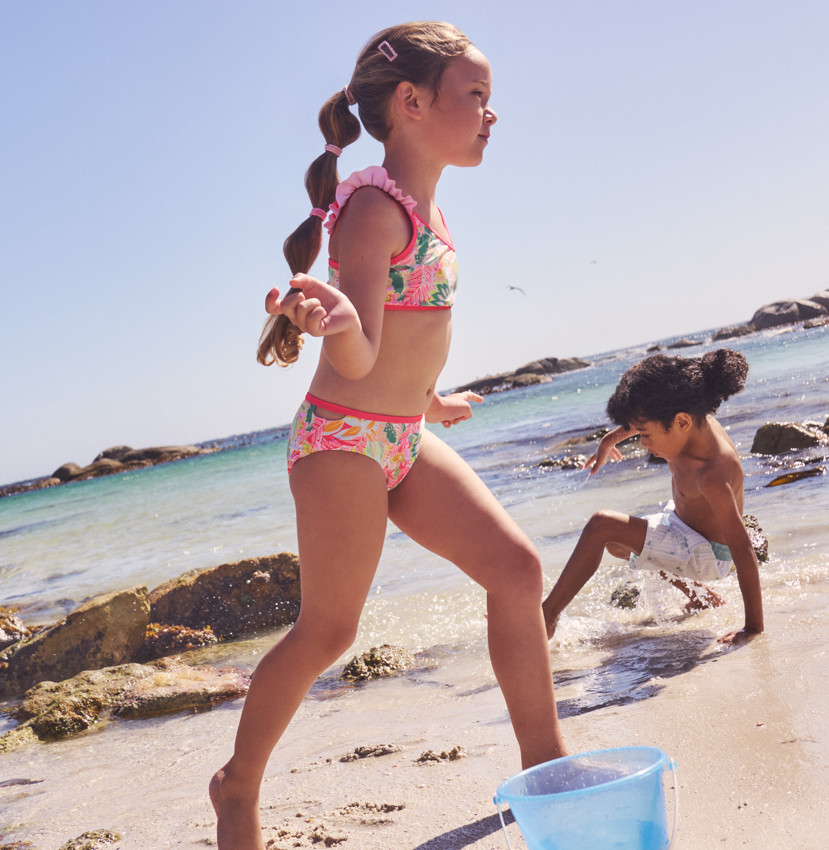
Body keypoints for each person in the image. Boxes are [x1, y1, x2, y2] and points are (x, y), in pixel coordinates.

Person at [209, 22, 567, 849]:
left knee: (515, 568)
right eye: (474, 96)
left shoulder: (431, 211)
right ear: (410, 103)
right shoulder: (371, 210)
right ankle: (238, 785)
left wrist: (431, 400)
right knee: (330, 629)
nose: (491, 114)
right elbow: (363, 353)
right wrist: (335, 321)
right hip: (342, 441)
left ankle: (547, 768)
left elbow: (408, 339)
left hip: (400, 434)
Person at [541, 349, 764, 645]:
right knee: (616, 544)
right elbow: (648, 408)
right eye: (637, 433)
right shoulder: (691, 416)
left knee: (601, 525)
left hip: (708, 554)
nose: (643, 443)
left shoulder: (711, 473)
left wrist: (752, 628)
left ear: (681, 422)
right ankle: (704, 599)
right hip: (685, 528)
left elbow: (743, 548)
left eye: (645, 434)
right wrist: (609, 439)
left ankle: (545, 618)